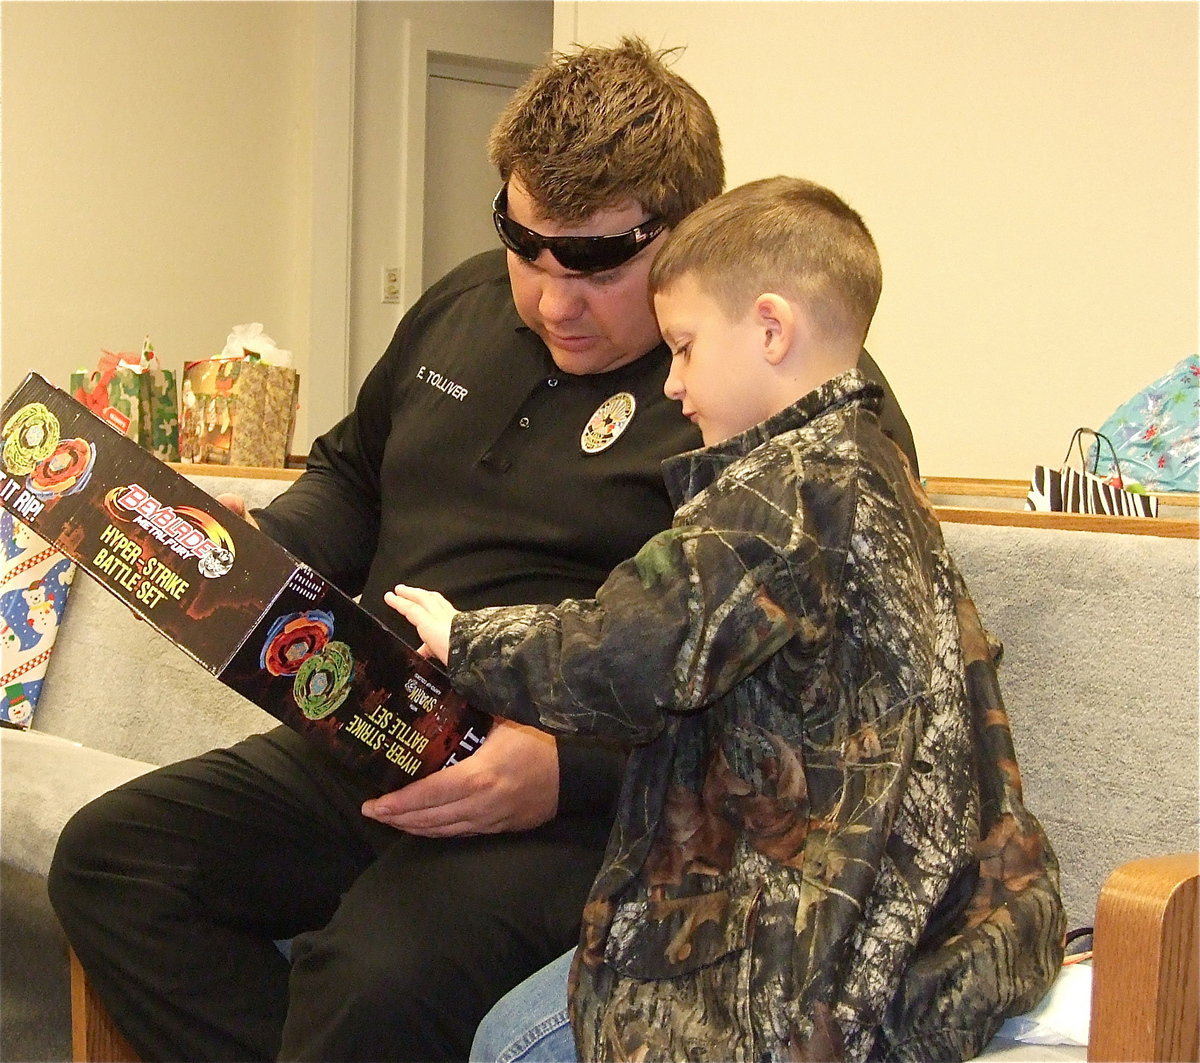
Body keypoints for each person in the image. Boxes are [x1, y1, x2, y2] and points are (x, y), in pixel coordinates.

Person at [47, 39, 914, 1063]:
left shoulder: (784, 406)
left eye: (598, 265)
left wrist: (566, 770)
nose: (555, 301)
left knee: (373, 977)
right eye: (527, 247)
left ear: (690, 235)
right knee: (115, 862)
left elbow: (809, 688)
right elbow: (354, 475)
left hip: (591, 809)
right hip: (376, 733)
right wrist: (245, 564)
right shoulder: (460, 308)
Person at [387, 177, 1066, 1062]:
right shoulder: (876, 469)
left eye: (684, 347)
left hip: (834, 951)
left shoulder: (782, 496)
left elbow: (627, 652)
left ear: (772, 329)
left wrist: (463, 637)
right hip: (944, 920)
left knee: (511, 1045)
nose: (671, 384)